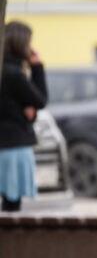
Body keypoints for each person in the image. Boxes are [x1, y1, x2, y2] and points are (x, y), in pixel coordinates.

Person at [0, 21, 47, 212]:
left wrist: (28, 112)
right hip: (13, 147)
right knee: (11, 206)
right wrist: (37, 67)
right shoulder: (13, 74)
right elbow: (41, 100)